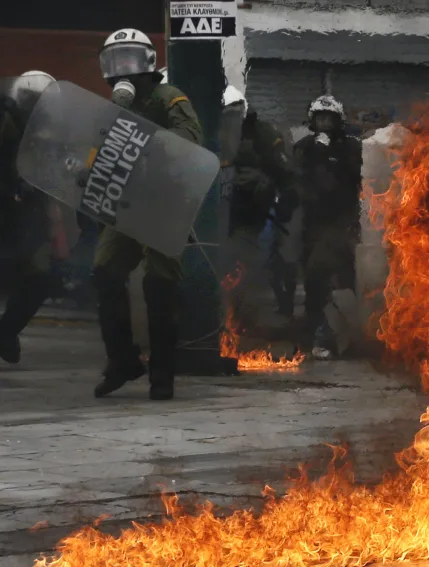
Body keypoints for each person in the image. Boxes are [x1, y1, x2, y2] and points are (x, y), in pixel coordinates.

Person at [91, 28, 202, 400]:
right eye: (115, 61)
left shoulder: (167, 97)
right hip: (125, 202)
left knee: (159, 285)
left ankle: (163, 375)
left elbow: (190, 137)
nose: (123, 70)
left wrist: (147, 140)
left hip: (164, 203)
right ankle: (122, 360)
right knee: (105, 272)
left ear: (148, 64)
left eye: (130, 60)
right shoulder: (113, 109)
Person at [220, 85, 299, 332]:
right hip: (211, 213)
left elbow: (285, 174)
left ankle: (241, 322)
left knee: (242, 266)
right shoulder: (205, 130)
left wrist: (281, 196)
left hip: (247, 213)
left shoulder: (260, 134)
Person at [293, 95, 362, 360]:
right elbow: (298, 178)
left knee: (342, 281)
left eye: (328, 118)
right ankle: (315, 336)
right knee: (314, 281)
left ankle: (342, 336)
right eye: (319, 118)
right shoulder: (305, 147)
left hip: (341, 223)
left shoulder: (350, 147)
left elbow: (354, 177)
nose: (324, 123)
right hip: (312, 224)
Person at [0, 71, 58, 364]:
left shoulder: (46, 132)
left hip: (26, 217)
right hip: (6, 210)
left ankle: (6, 330)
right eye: (31, 101)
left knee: (40, 278)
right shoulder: (6, 121)